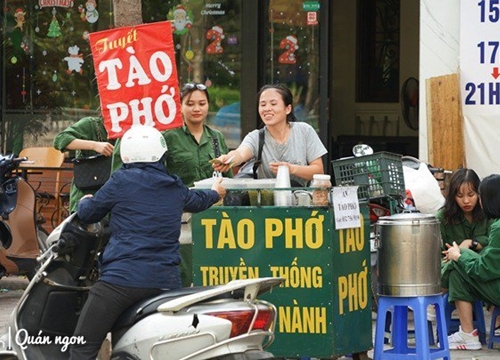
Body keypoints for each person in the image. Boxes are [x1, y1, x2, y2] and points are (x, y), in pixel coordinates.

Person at [69, 125, 225, 359]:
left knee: (82, 347)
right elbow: (198, 200)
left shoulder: (120, 181)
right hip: (166, 284)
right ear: (162, 154)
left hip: (119, 282)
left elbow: (89, 213)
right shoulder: (174, 185)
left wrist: (85, 201)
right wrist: (215, 192)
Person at [213, 83, 327, 186]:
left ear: (288, 109)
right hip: (267, 202)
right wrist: (228, 159)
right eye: (262, 105)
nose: (267, 109)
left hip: (301, 201)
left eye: (273, 104)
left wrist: (291, 169)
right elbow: (240, 153)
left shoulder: (304, 131)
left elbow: (318, 170)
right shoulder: (256, 137)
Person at [444, 173, 500, 351]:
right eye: (460, 196)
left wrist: (459, 254)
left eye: (477, 195)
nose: (467, 201)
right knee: (457, 265)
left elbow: (483, 269)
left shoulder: (497, 226)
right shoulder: (443, 218)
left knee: (456, 266)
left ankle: (436, 292)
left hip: (491, 277)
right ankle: (468, 334)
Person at [164, 82, 233, 187]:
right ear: (180, 107)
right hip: (182, 201)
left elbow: (228, 177)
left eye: (202, 104)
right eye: (190, 104)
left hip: (213, 201)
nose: (196, 109)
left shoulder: (217, 137)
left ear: (208, 105)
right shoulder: (169, 137)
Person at [53, 116, 114, 213]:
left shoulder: (129, 128)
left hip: (112, 199)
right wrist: (94, 145)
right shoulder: (92, 124)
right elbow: (60, 140)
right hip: (87, 198)